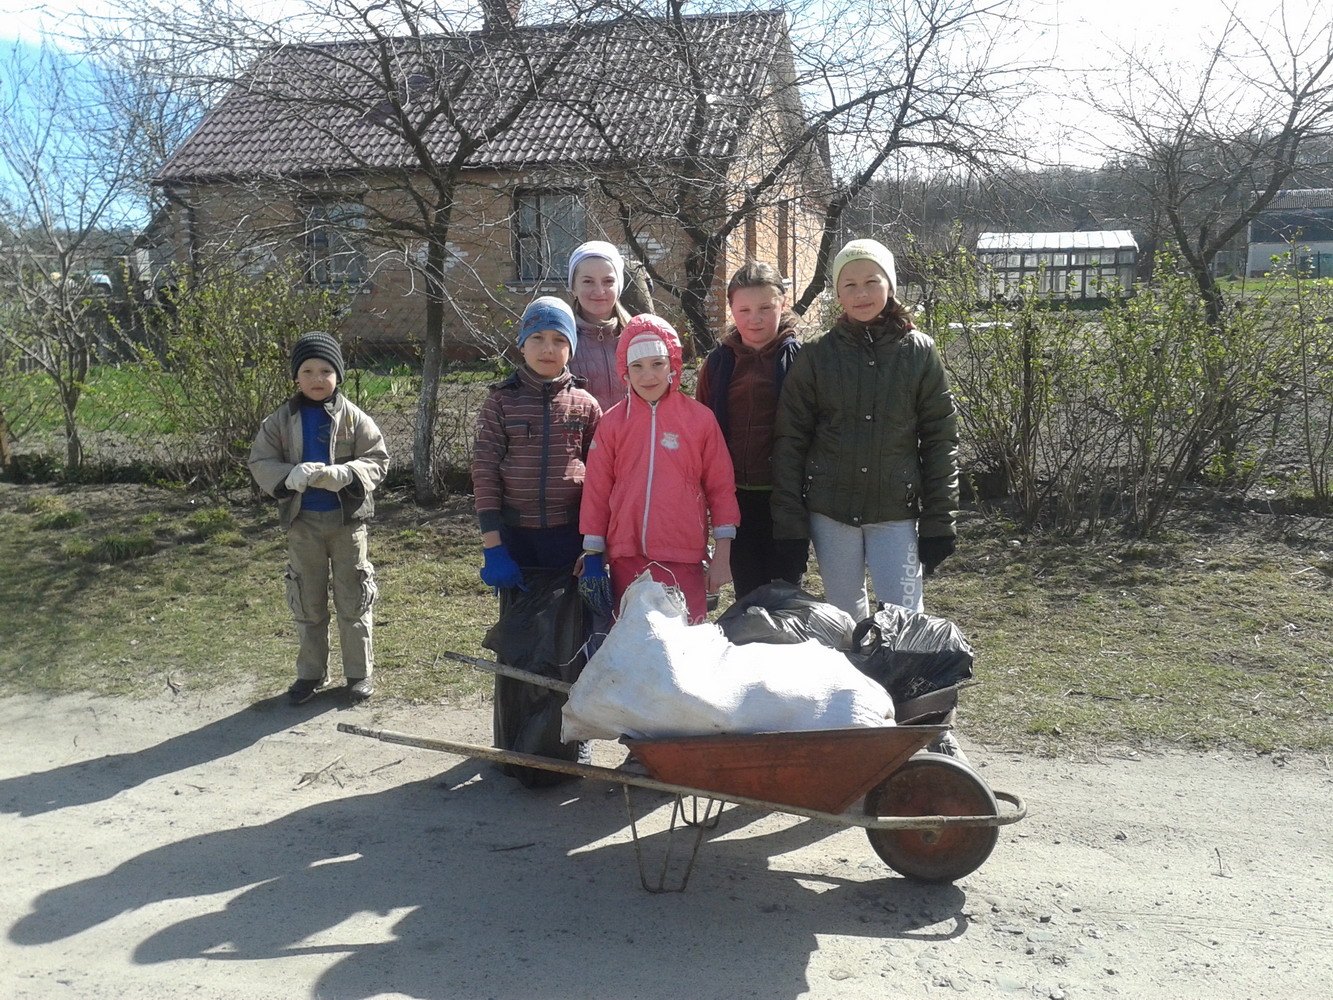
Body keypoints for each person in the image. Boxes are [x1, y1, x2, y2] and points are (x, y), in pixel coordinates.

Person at [771, 238, 959, 623]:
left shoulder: (919, 352)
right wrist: (790, 524)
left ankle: (899, 666)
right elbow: (790, 440)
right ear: (838, 293)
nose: (861, 294)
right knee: (845, 621)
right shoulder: (816, 355)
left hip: (896, 512)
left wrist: (940, 521)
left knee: (905, 620)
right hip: (831, 513)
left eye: (872, 281)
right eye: (850, 284)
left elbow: (940, 439)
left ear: (890, 285)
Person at [248, 331, 390, 705]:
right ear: (296, 377)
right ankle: (310, 674)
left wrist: (347, 473)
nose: (317, 378)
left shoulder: (354, 417)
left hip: (347, 524)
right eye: (307, 371)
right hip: (303, 524)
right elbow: (260, 461)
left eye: (325, 371)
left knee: (354, 597)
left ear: (338, 375)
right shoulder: (280, 420)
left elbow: (378, 459)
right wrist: (289, 477)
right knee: (307, 600)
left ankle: (358, 674)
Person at [578, 314, 740, 624]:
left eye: (657, 363)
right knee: (633, 642)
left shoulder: (700, 420)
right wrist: (593, 552)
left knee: (684, 643)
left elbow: (721, 488)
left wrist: (723, 554)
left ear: (673, 365)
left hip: (684, 556)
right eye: (637, 366)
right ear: (625, 371)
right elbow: (597, 490)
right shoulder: (612, 423)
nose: (648, 375)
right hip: (626, 556)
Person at [696, 260, 808, 601]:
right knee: (748, 594)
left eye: (765, 308)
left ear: (783, 305)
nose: (754, 319)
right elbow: (702, 426)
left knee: (786, 595)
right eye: (744, 310)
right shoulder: (718, 363)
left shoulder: (801, 360)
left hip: (785, 497)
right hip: (734, 498)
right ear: (731, 309)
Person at [470, 296, 601, 586]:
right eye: (537, 337)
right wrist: (493, 547)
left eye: (559, 340)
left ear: (571, 348)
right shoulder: (501, 402)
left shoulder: (586, 405)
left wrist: (595, 546)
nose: (547, 349)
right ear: (522, 344)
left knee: (570, 612)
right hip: (515, 535)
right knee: (522, 611)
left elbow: (602, 478)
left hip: (571, 534)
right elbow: (484, 471)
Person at [566, 240, 633, 413]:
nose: (599, 291)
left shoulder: (637, 338)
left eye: (608, 281)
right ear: (573, 287)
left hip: (632, 431)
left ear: (619, 286)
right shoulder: (562, 341)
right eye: (588, 281)